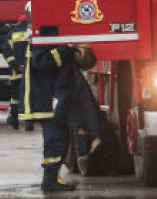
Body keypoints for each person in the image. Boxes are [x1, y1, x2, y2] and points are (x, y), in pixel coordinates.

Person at [24, 40, 102, 193]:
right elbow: (42, 63)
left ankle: (53, 177)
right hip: (45, 101)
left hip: (51, 98)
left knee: (61, 136)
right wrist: (66, 48)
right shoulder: (40, 43)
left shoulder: (46, 42)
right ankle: (49, 180)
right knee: (55, 139)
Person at [2, 7, 32, 131]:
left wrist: (16, 66)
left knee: (15, 99)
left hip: (16, 74)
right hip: (31, 73)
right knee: (30, 97)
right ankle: (29, 123)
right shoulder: (32, 32)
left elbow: (6, 52)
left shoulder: (12, 33)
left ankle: (14, 122)